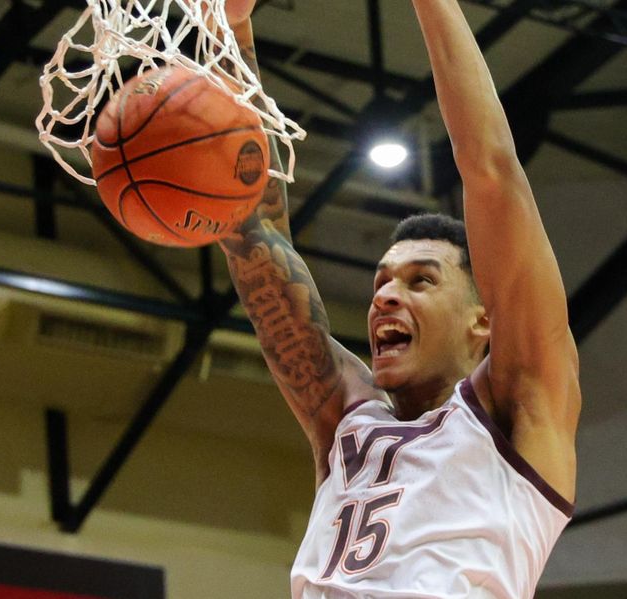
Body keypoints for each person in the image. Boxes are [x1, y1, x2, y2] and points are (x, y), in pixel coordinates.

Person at [219, 1, 581, 597]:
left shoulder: (520, 401)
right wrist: (230, 32)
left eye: (421, 280)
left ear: (483, 319)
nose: (386, 296)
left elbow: (490, 169)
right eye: (381, 281)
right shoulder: (348, 423)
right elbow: (249, 230)